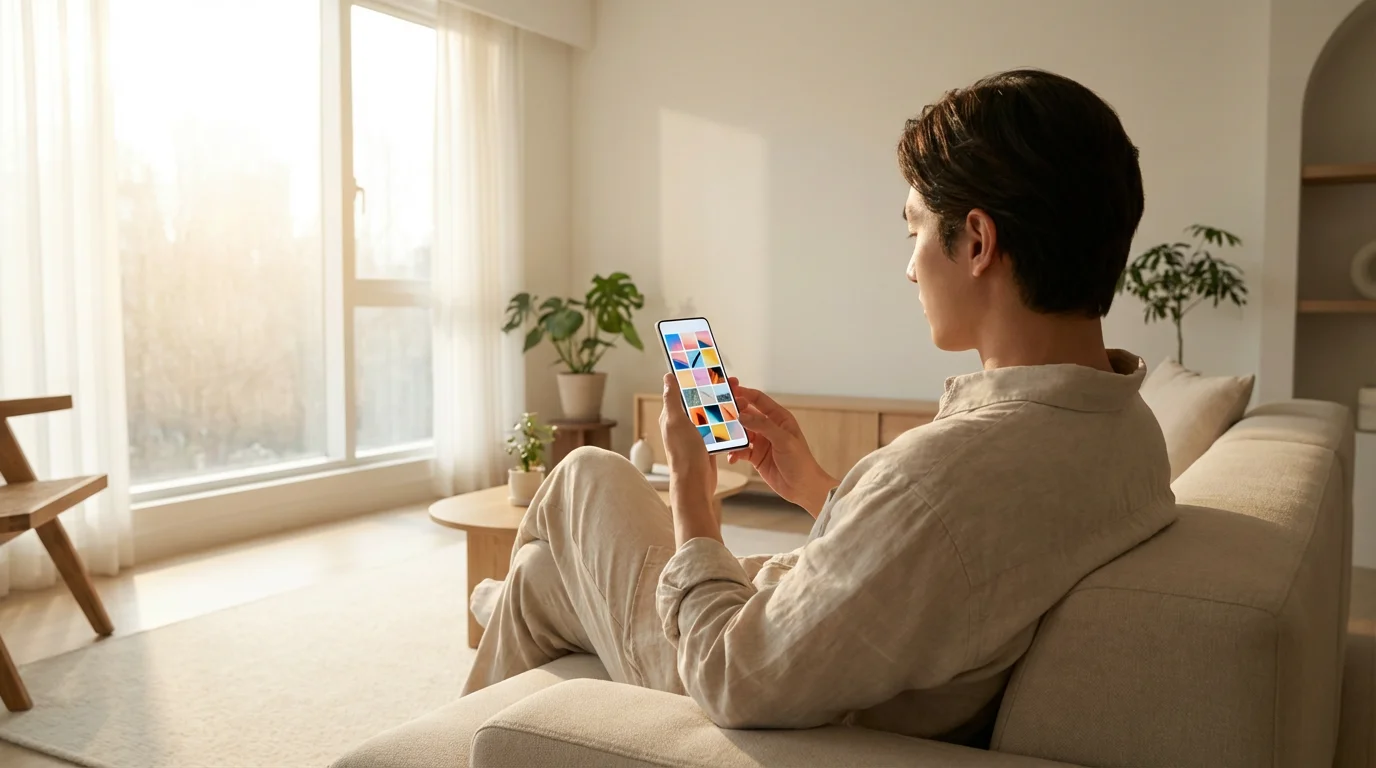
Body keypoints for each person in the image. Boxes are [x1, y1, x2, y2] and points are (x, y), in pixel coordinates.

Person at [462, 68, 1176, 747]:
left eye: (915, 232)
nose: (908, 265)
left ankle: (516, 618)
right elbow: (941, 560)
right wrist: (816, 487)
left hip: (748, 675)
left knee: (586, 474)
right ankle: (530, 608)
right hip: (830, 643)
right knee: (540, 579)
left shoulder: (937, 481)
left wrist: (690, 486)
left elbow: (730, 676)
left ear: (979, 242)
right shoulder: (1125, 425)